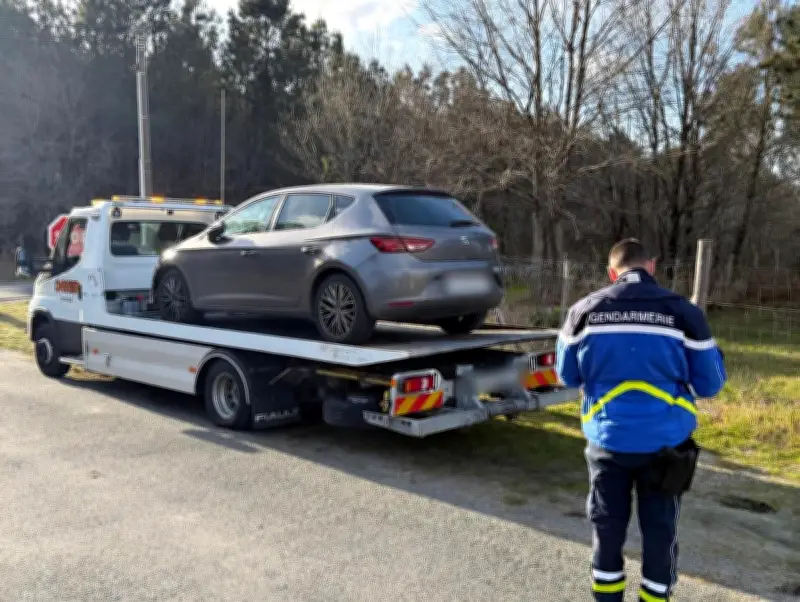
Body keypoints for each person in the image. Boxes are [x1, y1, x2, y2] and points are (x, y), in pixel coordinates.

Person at [555, 238, 727, 602]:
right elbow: (710, 384)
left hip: (607, 441)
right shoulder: (684, 312)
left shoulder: (583, 310)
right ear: (651, 266)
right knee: (660, 531)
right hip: (666, 447)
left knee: (607, 529)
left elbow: (566, 376)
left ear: (611, 272)